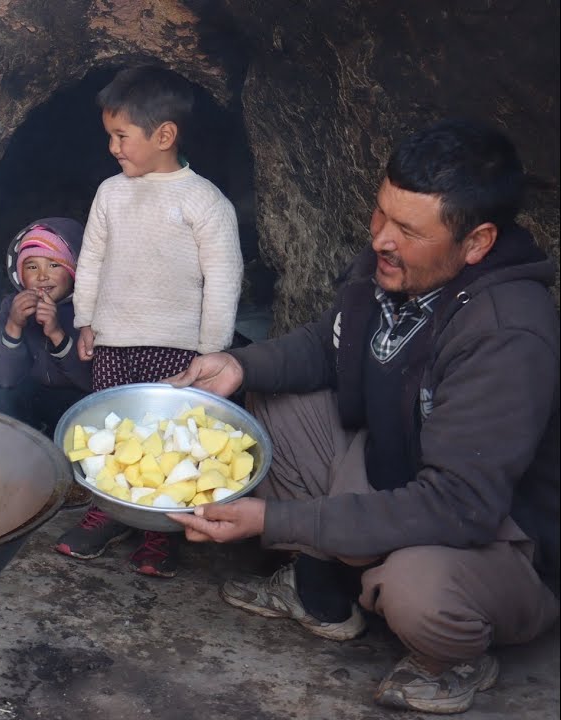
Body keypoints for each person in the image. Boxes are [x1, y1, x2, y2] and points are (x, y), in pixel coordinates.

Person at [166, 119, 559, 715]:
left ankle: (453, 656)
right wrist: (237, 367)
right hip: (398, 463)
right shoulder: (398, 265)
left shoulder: (506, 334)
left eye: (406, 229)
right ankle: (323, 594)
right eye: (380, 214)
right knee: (260, 410)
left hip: (495, 536)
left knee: (417, 591)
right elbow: (330, 346)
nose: (380, 238)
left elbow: (458, 504)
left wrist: (274, 520)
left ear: (476, 242)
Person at [55, 66, 243, 578]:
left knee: (165, 439)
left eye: (122, 136)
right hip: (114, 341)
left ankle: (160, 529)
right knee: (113, 433)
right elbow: (90, 259)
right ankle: (108, 511)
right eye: (109, 136)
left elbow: (224, 278)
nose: (113, 147)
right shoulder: (111, 193)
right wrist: (86, 319)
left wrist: (212, 349)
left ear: (164, 135)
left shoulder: (202, 200)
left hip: (177, 347)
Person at [0, 218, 92, 471]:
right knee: (0, 397)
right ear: (19, 274)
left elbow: (89, 381)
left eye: (54, 264)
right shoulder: (11, 307)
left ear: (74, 269)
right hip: (32, 395)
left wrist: (57, 333)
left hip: (72, 400)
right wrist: (14, 325)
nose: (42, 276)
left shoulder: (86, 312)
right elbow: (3, 377)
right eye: (31, 266)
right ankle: (14, 465)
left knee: (78, 427)